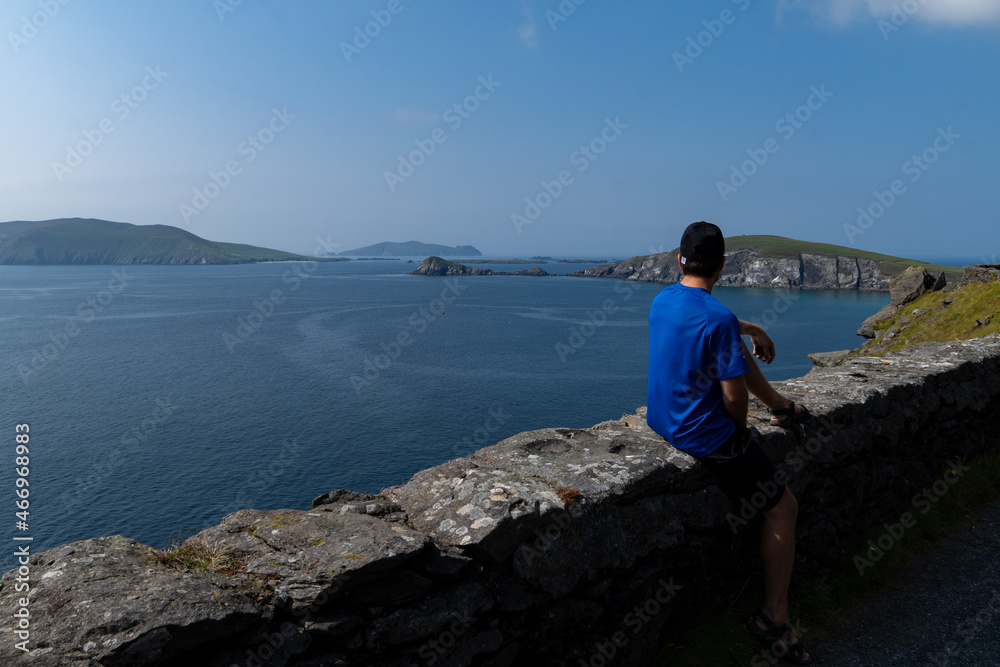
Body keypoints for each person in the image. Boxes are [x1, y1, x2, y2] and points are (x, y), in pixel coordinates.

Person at [646, 221, 812, 665]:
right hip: (703, 435)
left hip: (661, 421)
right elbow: (734, 396)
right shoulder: (717, 319)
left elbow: (710, 324)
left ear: (679, 260)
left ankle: (779, 403)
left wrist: (749, 326)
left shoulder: (663, 299)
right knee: (783, 506)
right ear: (722, 266)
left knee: (728, 356)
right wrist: (738, 431)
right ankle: (773, 618)